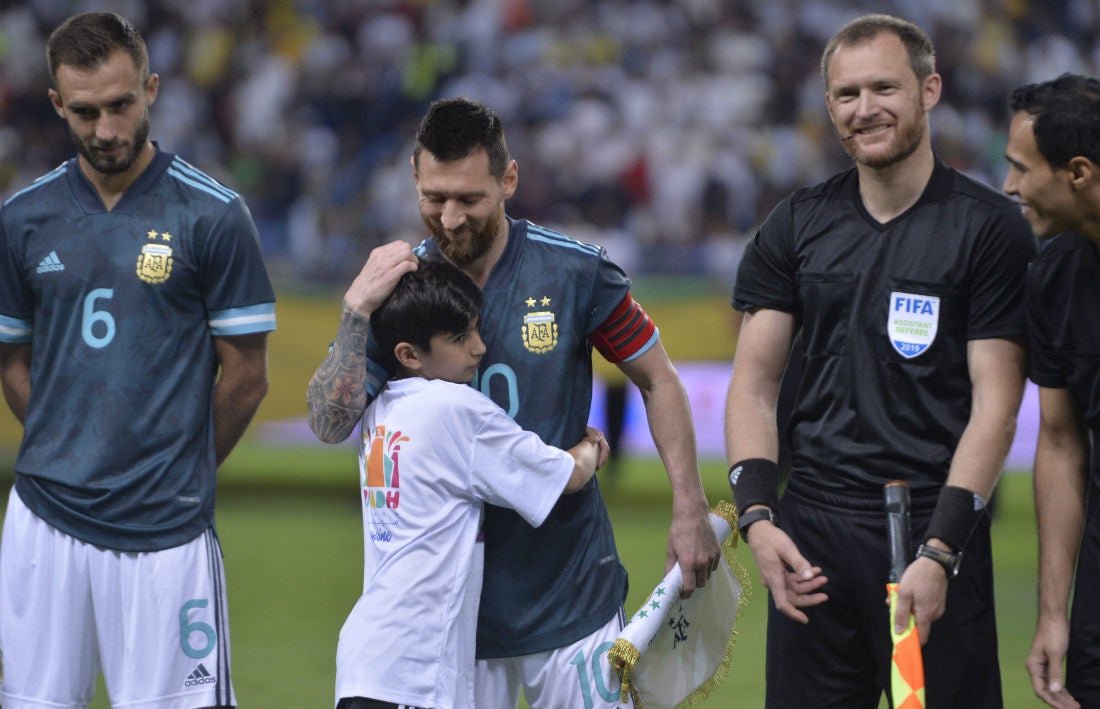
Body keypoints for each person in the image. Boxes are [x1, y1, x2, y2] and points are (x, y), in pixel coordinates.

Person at [307, 97, 720, 709]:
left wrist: (689, 508)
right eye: (433, 198)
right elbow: (329, 421)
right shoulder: (401, 293)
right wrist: (353, 313)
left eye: (469, 199)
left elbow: (658, 380)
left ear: (509, 181)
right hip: (453, 627)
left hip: (570, 597)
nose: (448, 219)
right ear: (415, 180)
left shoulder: (575, 273)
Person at [723, 13, 1036, 709]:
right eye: (846, 94)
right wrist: (759, 518)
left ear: (929, 90)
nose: (864, 109)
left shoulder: (989, 231)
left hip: (929, 530)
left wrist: (940, 550)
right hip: (813, 537)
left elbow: (998, 406)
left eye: (883, 88)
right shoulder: (796, 223)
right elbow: (753, 385)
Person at [0, 12, 276, 709]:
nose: (107, 130)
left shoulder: (214, 216)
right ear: (59, 104)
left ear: (151, 88)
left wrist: (174, 467)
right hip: (43, 524)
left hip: (166, 535)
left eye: (122, 104)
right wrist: (67, 445)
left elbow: (246, 375)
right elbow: (11, 359)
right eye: (86, 111)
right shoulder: (22, 218)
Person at [335, 257, 608, 709]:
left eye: (476, 329)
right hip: (416, 668)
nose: (480, 348)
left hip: (368, 659)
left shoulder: (379, 409)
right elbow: (566, 476)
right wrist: (591, 448)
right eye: (460, 338)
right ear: (409, 354)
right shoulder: (455, 409)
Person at [1003, 73, 1100, 709]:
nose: (1009, 188)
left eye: (1020, 169)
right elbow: (1062, 444)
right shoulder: (1055, 276)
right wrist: (1053, 614)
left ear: (1079, 173)